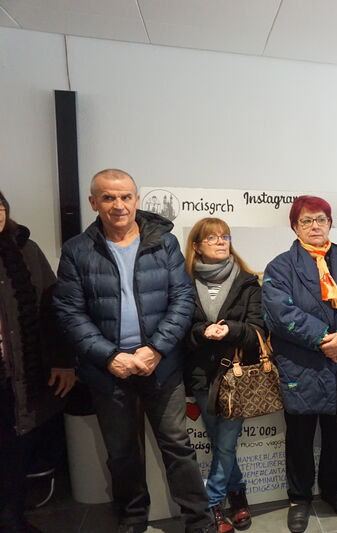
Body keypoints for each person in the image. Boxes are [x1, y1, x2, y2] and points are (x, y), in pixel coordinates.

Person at [53, 169, 213, 533]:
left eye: (125, 196)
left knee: (178, 446)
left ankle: (199, 521)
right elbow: (69, 312)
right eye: (108, 198)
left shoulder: (164, 242)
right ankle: (133, 517)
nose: (118, 205)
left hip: (162, 366)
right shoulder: (77, 250)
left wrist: (156, 349)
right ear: (94, 202)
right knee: (122, 452)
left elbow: (182, 299)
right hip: (107, 370)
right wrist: (110, 356)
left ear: (136, 200)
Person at [262, 195, 337, 533]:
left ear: (330, 223)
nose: (315, 226)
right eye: (307, 220)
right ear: (295, 227)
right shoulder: (280, 266)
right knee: (299, 436)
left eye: (321, 219)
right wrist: (328, 341)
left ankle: (332, 489)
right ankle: (299, 498)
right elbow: (280, 314)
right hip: (301, 365)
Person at [0, 191, 76, 533]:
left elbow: (51, 309)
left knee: (16, 450)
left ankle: (11, 518)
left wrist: (63, 362)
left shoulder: (25, 250)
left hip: (19, 374)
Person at [184, 218, 265, 533]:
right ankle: (238, 493)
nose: (220, 241)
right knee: (220, 442)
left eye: (225, 236)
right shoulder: (184, 283)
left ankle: (212, 504)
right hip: (202, 376)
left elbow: (258, 330)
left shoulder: (247, 282)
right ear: (196, 246)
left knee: (226, 443)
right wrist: (202, 331)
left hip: (236, 377)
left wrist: (230, 329)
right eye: (212, 237)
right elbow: (181, 330)